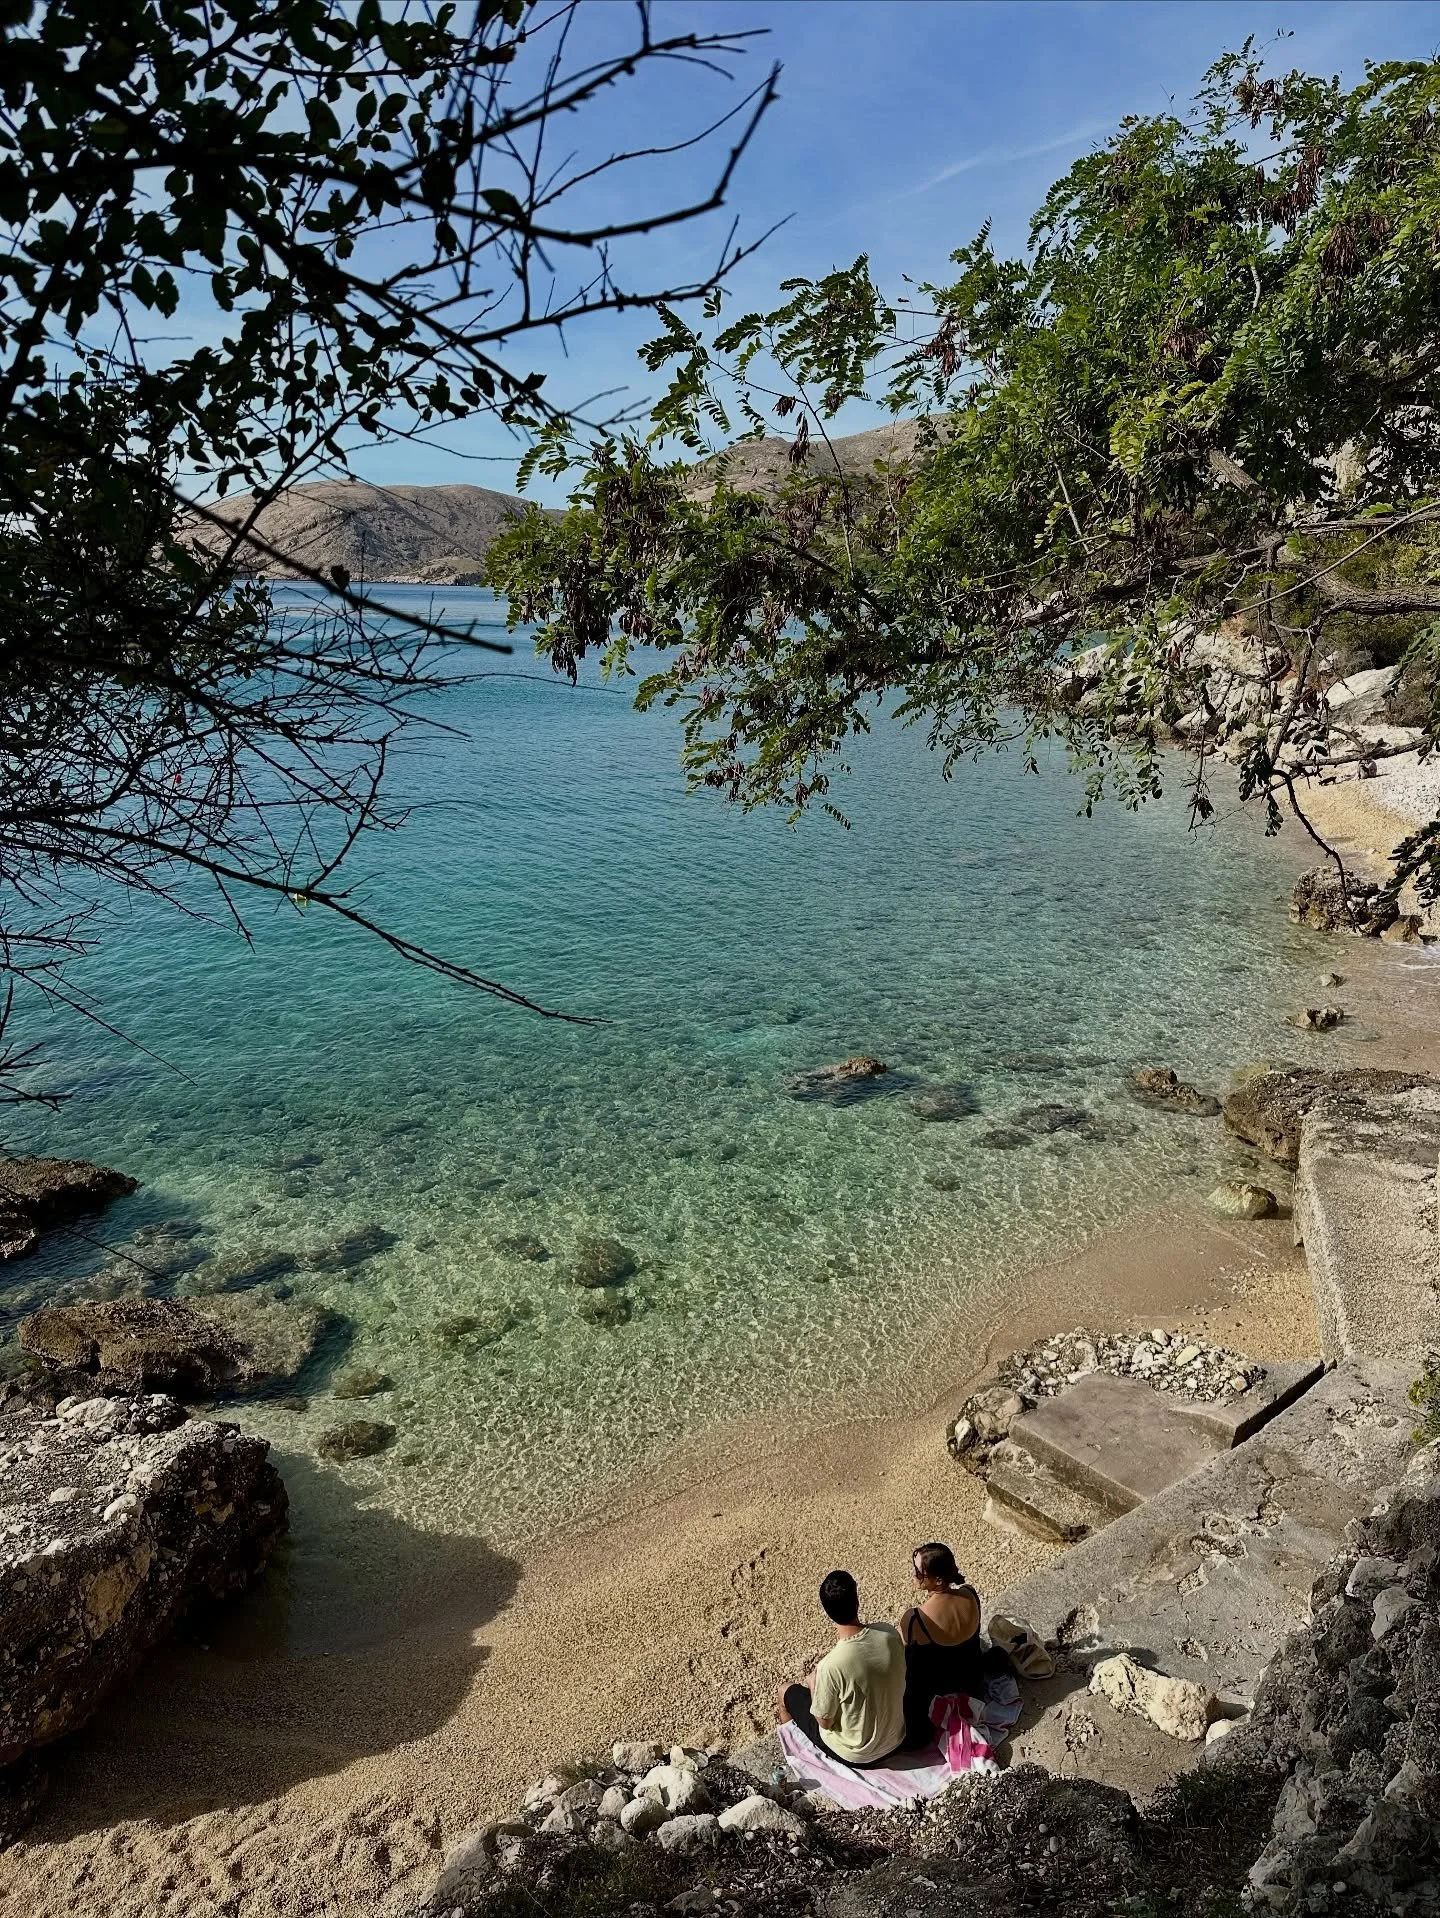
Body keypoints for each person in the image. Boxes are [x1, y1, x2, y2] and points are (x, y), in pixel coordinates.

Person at [775, 1569, 907, 1768]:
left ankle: (795, 1761)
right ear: (857, 1601)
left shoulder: (831, 1666)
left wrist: (814, 1686)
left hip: (858, 1756)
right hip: (896, 1739)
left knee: (784, 1691)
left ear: (827, 1613)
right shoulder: (888, 1633)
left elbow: (824, 1722)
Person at [897, 1541, 985, 1748]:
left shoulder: (915, 1619)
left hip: (936, 1694)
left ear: (937, 1580)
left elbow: (899, 1651)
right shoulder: (970, 1594)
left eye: (919, 1573)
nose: (914, 1576)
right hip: (972, 1683)